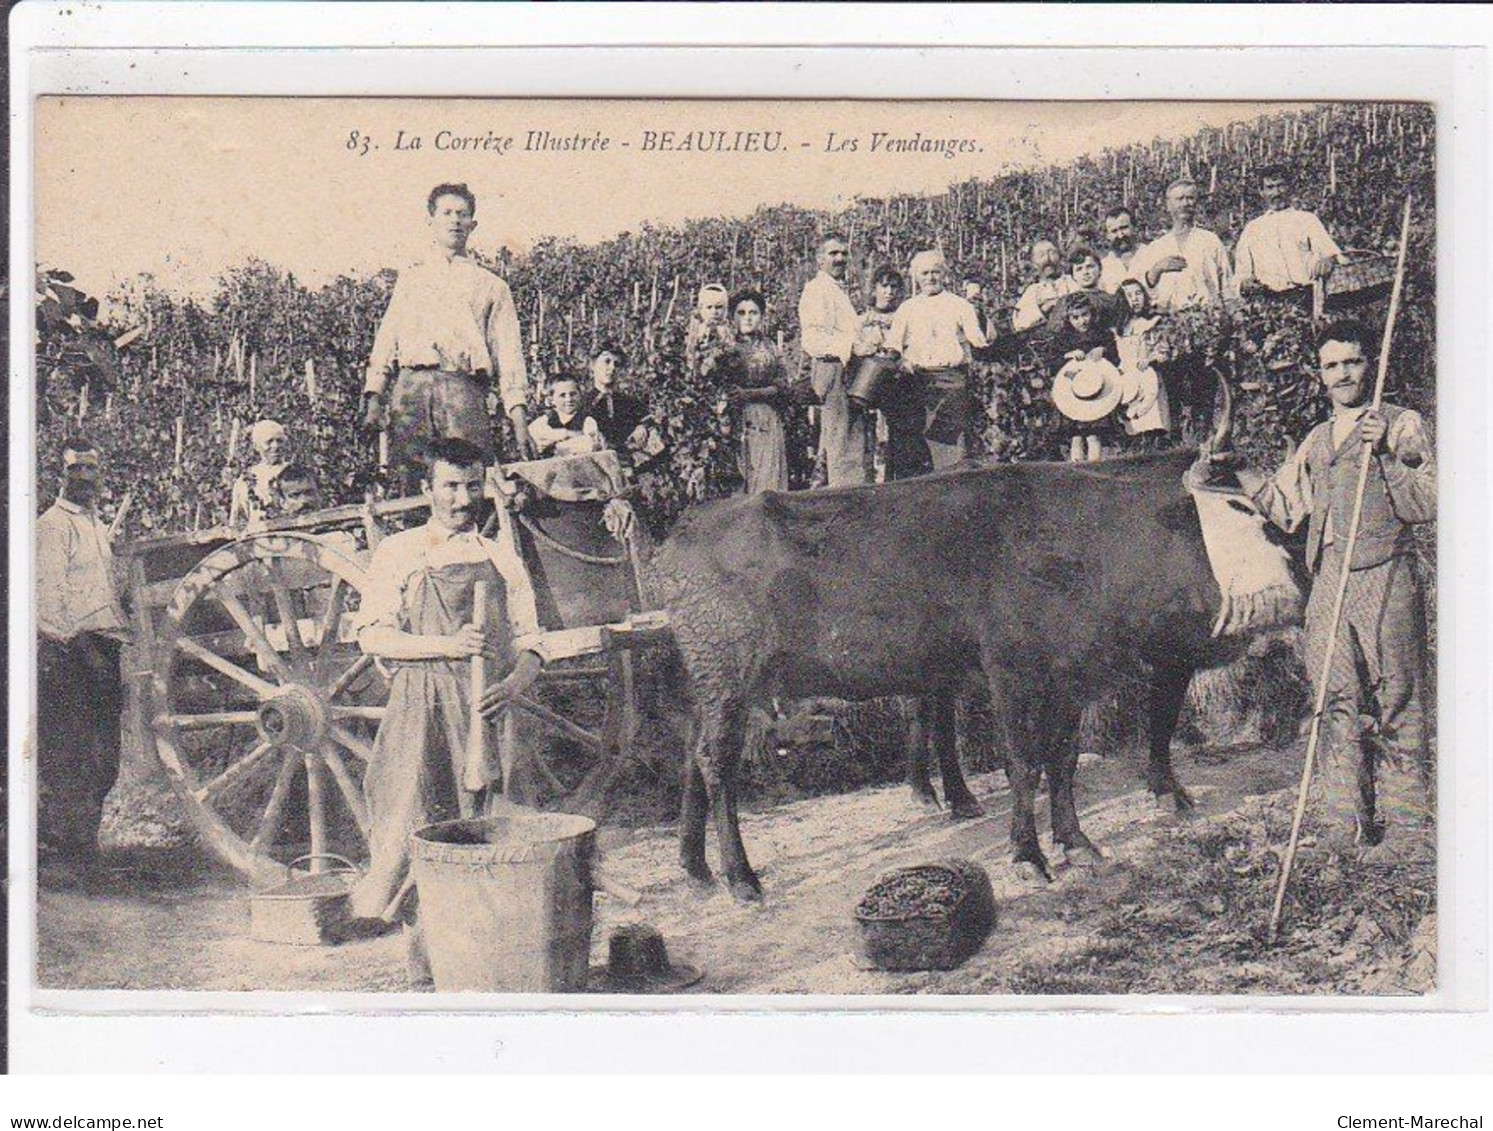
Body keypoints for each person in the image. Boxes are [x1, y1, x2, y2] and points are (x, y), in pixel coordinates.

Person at [1229, 321, 1435, 851]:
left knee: (1399, 698)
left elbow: (1429, 501)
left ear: (1370, 364)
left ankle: (1407, 825)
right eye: (1332, 365)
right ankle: (1343, 823)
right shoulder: (1317, 441)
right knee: (1332, 700)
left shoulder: (1402, 422)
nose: (1343, 373)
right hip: (1329, 584)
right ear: (1319, 376)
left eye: (1353, 361)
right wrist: (1240, 472)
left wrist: (1388, 449)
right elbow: (1286, 509)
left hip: (1385, 570)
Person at [348, 438, 549, 974]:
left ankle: (497, 963)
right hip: (423, 710)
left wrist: (516, 683)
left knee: (498, 832)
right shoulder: (400, 552)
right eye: (450, 486)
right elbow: (373, 636)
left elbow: (533, 641)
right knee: (421, 822)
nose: (463, 500)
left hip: (489, 712)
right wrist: (446, 646)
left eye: (472, 485)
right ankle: (427, 966)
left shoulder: (500, 557)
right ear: (427, 490)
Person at [362, 183, 530, 483]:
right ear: (431, 221)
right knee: (411, 480)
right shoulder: (411, 280)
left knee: (468, 476)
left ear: (472, 224)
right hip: (411, 389)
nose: (455, 221)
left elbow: (509, 354)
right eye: (447, 213)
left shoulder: (491, 286)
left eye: (462, 214)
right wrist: (374, 397)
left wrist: (518, 418)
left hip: (462, 388)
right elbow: (387, 339)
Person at [36, 437, 130, 879]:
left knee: (103, 755)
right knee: (70, 752)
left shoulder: (96, 525)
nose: (85, 478)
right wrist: (74, 645)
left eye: (91, 469)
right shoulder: (52, 526)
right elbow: (47, 599)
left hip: (103, 644)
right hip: (70, 650)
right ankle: (67, 855)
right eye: (75, 469)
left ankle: (82, 848)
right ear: (60, 473)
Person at [883, 249, 994, 469]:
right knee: (915, 448)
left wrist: (981, 313)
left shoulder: (959, 305)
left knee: (951, 449)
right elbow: (893, 345)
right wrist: (900, 362)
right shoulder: (907, 308)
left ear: (944, 274)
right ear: (915, 276)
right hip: (915, 384)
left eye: (935, 272)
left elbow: (979, 340)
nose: (930, 278)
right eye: (924, 273)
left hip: (951, 383)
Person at [798, 232, 877, 487]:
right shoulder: (816, 290)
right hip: (833, 370)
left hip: (846, 370)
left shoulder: (836, 290)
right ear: (820, 259)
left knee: (842, 439)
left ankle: (835, 494)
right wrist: (853, 345)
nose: (840, 258)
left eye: (844, 253)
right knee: (842, 441)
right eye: (833, 253)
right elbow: (813, 339)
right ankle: (846, 501)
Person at [708, 289, 790, 494]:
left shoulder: (770, 348)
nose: (747, 318)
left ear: (761, 316)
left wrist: (751, 394)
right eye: (741, 312)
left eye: (753, 313)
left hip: (765, 418)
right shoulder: (723, 347)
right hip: (734, 421)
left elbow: (782, 386)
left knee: (766, 479)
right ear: (732, 316)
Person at [856, 266, 929, 480]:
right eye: (884, 286)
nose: (889, 292)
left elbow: (916, 349)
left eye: (894, 287)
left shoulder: (905, 319)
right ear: (874, 289)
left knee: (901, 446)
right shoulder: (861, 321)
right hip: (867, 392)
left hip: (899, 392)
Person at [1130, 178, 1239, 315]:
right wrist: (1157, 268)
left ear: (1196, 203)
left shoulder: (1210, 241)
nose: (1185, 204)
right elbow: (1142, 292)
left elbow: (1227, 287)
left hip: (1207, 319)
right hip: (1169, 321)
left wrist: (1234, 317)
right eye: (1179, 199)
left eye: (1190, 198)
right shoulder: (1157, 247)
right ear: (1168, 205)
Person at [1234, 163, 1343, 295]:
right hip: (1269, 301)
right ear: (1261, 192)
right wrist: (1244, 283)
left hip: (1307, 295)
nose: (1276, 193)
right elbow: (1241, 273)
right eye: (1270, 188)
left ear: (1290, 188)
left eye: (1281, 186)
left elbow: (1331, 254)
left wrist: (1329, 260)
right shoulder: (1252, 229)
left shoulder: (1307, 220)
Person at [1113, 279, 1171, 450]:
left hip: (1148, 376)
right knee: (1133, 421)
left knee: (1152, 419)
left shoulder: (1151, 324)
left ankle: (1156, 448)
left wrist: (1150, 359)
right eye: (1129, 296)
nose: (1135, 299)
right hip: (1128, 379)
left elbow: (1163, 352)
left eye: (1138, 294)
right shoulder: (1119, 329)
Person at [577, 342, 650, 459]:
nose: (612, 368)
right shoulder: (582, 403)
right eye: (607, 361)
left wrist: (641, 427)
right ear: (592, 365)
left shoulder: (629, 402)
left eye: (617, 364)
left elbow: (647, 419)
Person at [1047, 244, 1124, 336]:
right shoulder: (1064, 302)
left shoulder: (1113, 300)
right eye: (1079, 269)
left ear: (1099, 269)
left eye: (1090, 266)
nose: (1085, 272)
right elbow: (1054, 334)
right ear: (1073, 276)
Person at [228, 419, 289, 531]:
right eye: (269, 441)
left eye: (279, 441)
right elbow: (237, 522)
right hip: (260, 541)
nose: (275, 446)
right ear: (257, 446)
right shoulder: (245, 480)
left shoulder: (297, 472)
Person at [529, 374, 605, 457]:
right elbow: (535, 443)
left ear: (580, 395)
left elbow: (590, 445)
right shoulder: (543, 422)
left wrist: (555, 442)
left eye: (573, 394)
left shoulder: (587, 421)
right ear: (552, 400)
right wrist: (569, 436)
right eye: (562, 395)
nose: (569, 399)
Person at [1012, 240, 1075, 332]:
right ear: (1034, 263)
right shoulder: (1033, 291)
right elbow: (1020, 323)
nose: (1047, 259)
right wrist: (1044, 308)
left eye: (1052, 253)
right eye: (1041, 255)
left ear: (1060, 258)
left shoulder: (1072, 281)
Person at [685, 283, 734, 380]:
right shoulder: (697, 330)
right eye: (709, 307)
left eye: (718, 307)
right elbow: (690, 350)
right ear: (701, 308)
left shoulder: (727, 330)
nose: (714, 312)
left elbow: (731, 348)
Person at [1099, 205, 1141, 294]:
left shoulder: (1151, 254)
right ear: (1107, 235)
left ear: (1135, 227)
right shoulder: (1103, 267)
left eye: (1124, 228)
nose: (1120, 235)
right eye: (1114, 231)